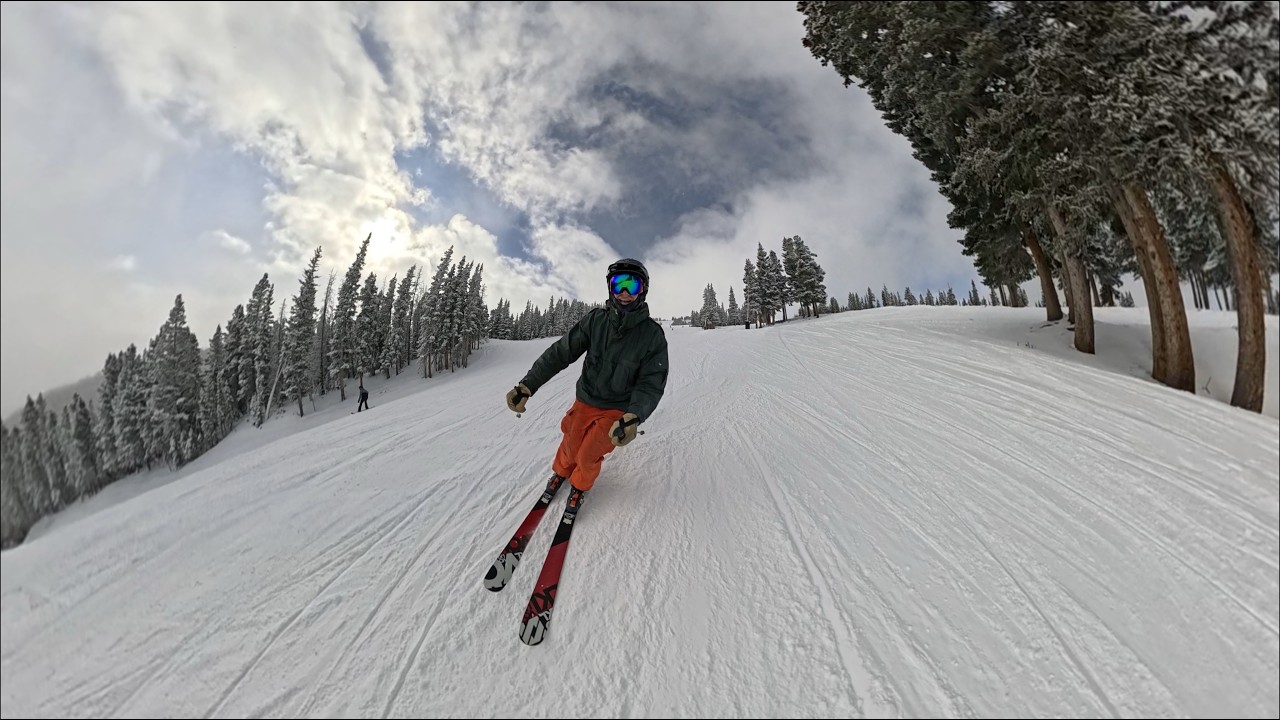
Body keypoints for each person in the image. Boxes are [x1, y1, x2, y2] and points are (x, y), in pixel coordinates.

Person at [505, 258, 669, 510]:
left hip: (617, 407)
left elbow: (651, 382)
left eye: (632, 285)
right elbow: (560, 353)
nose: (625, 293)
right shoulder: (596, 321)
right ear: (610, 288)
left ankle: (579, 487)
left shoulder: (651, 335)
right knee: (571, 444)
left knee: (588, 453)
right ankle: (561, 472)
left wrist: (633, 416)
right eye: (619, 285)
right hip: (586, 398)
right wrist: (528, 385)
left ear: (643, 289)